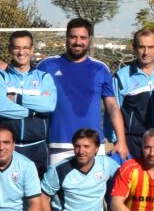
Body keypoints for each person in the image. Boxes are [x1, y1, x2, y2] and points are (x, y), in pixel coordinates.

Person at [37, 18, 129, 165]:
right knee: (56, 187)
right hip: (58, 144)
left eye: (82, 37)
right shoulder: (47, 65)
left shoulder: (100, 69)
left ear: (89, 39)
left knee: (94, 188)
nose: (77, 42)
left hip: (93, 145)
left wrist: (121, 141)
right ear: (66, 38)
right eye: (73, 37)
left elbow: (112, 106)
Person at [0, 29, 57, 175]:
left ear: (32, 50)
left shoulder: (44, 78)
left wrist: (18, 99)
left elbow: (49, 105)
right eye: (17, 47)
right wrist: (34, 110)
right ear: (10, 49)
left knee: (36, 195)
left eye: (25, 48)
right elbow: (1, 108)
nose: (21, 52)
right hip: (8, 148)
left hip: (37, 148)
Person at [110, 28, 154, 158]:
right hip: (134, 143)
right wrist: (118, 141)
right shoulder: (122, 77)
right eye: (141, 47)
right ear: (134, 48)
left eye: (150, 47)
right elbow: (113, 111)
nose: (146, 52)